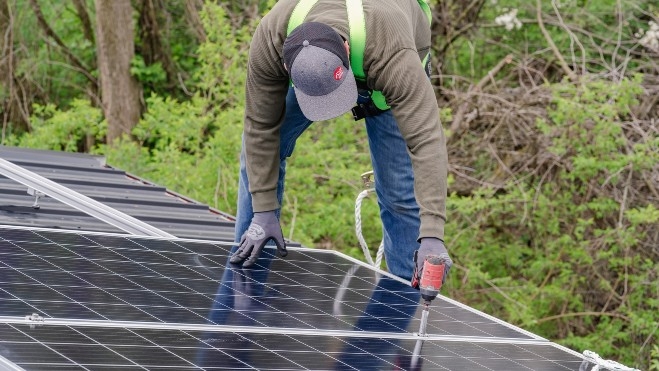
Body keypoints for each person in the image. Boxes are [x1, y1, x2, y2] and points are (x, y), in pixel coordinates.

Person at [229, 0, 452, 287]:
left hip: (387, 67)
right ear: (286, 64)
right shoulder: (271, 37)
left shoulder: (393, 53)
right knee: (256, 156)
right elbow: (260, 127)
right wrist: (263, 210)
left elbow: (427, 140)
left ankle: (401, 302)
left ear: (345, 50)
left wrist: (433, 233)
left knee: (399, 194)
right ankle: (246, 281)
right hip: (326, 68)